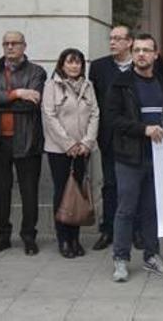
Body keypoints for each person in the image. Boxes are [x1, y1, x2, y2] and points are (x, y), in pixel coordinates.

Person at [106, 33, 163, 282]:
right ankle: (121, 259)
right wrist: (143, 130)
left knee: (151, 209)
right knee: (125, 209)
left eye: (147, 50)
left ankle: (152, 255)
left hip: (159, 157)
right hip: (129, 156)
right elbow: (113, 119)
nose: (142, 54)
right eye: (137, 50)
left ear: (156, 54)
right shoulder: (121, 83)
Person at [0, 31, 47, 256]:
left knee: (29, 192)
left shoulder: (36, 72)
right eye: (6, 43)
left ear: (24, 46)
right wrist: (17, 93)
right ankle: (3, 235)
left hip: (27, 140)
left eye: (15, 43)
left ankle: (28, 235)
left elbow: (32, 104)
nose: (10, 47)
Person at [42, 48, 99, 259]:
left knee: (79, 192)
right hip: (59, 150)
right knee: (62, 192)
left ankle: (75, 238)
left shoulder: (88, 86)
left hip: (83, 149)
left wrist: (86, 142)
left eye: (78, 63)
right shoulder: (51, 86)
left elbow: (95, 114)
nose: (74, 66)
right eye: (70, 62)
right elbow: (49, 117)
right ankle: (63, 239)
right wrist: (68, 144)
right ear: (62, 64)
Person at [88, 25, 134, 251]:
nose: (113, 42)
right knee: (110, 184)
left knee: (136, 185)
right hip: (108, 135)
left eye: (118, 38)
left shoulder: (141, 64)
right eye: (111, 38)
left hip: (136, 135)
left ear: (130, 42)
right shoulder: (98, 67)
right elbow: (93, 103)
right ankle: (108, 229)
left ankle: (135, 230)